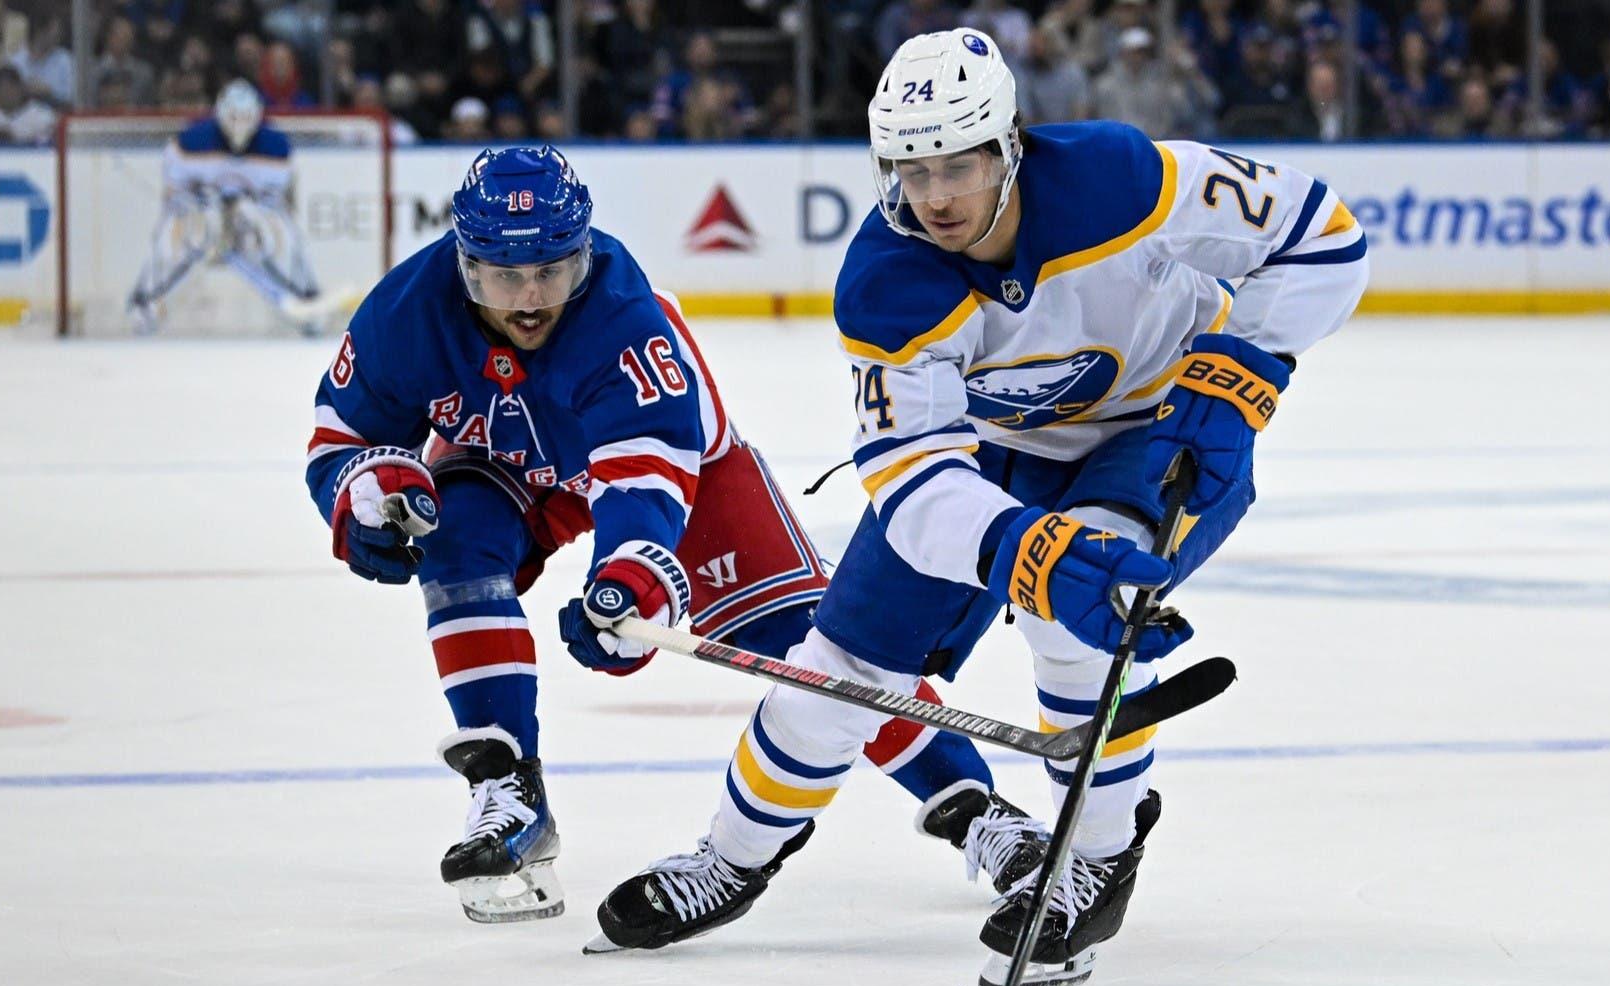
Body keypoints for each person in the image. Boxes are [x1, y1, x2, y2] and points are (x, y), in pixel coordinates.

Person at [594, 27, 1367, 986]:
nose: (935, 197)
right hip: (990, 451)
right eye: (910, 171)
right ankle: (731, 858)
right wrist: (1016, 546)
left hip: (1161, 428)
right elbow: (912, 481)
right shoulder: (887, 283)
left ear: (1009, 144)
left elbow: (1322, 235)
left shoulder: (1119, 179)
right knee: (832, 670)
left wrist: (1244, 365)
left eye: (958, 164)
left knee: (1086, 617)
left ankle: (1095, 859)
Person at [304, 145, 1047, 926]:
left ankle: (975, 809)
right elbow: (338, 441)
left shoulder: (625, 321)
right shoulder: (404, 313)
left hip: (689, 474)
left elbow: (644, 485)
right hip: (508, 464)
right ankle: (505, 784)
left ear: (583, 253)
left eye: (551, 272)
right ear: (462, 264)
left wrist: (629, 582)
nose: (528, 300)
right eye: (500, 277)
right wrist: (365, 497)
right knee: (453, 545)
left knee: (818, 647)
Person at [126, 80, 324, 335]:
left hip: (248, 217)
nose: (239, 124)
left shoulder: (276, 148)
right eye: (234, 116)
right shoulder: (190, 143)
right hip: (202, 215)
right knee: (171, 240)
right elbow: (174, 195)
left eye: (246, 117)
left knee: (284, 237)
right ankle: (145, 305)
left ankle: (306, 300)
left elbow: (278, 201)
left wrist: (245, 207)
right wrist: (203, 204)